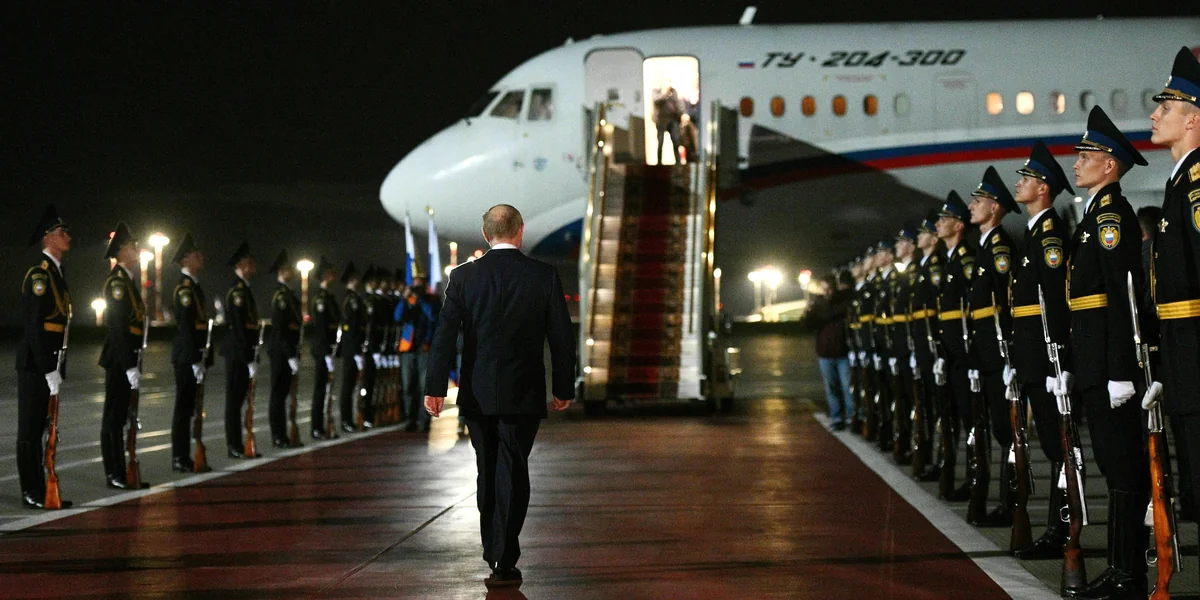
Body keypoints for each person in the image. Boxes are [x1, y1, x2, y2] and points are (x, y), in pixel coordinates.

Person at [424, 204, 576, 588]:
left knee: (487, 468)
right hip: (524, 393)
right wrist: (563, 388)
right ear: (520, 230)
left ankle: (493, 548)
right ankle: (504, 556)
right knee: (513, 468)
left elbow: (445, 335)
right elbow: (561, 337)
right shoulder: (543, 275)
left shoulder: (463, 277)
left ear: (485, 233)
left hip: (478, 394)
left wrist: (435, 388)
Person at [1063, 106, 1150, 599]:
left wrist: (1120, 370)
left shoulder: (1112, 216)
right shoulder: (1094, 216)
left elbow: (1123, 297)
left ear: (1110, 164)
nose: (1076, 163)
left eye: (1086, 156)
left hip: (1109, 367)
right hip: (1094, 363)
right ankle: (1121, 571)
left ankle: (1127, 575)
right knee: (1114, 469)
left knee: (1123, 469)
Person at [1144, 46, 1200, 576]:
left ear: (1192, 119)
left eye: (1165, 107)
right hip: (1183, 356)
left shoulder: (1198, 181)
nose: (1154, 114)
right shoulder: (1180, 181)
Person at [1008, 141, 1075, 560]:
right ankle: (1057, 530)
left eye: (1027, 178)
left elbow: (1056, 302)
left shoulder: (1050, 237)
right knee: (1053, 448)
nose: (1020, 184)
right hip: (1033, 359)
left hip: (1049, 361)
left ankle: (1062, 532)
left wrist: (1061, 362)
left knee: (1060, 449)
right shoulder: (1035, 233)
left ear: (1044, 188)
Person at [965, 166, 1018, 526]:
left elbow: (1006, 303)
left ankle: (1010, 505)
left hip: (999, 353)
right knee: (997, 430)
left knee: (1008, 431)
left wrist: (1010, 355)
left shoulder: (999, 247)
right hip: (985, 352)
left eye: (979, 201)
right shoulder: (984, 246)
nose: (972, 206)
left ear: (995, 207)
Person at [16, 206, 73, 509]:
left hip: (49, 363)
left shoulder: (57, 274)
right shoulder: (39, 275)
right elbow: (34, 327)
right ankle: (31, 491)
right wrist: (48, 368)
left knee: (42, 429)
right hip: (35, 365)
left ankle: (43, 488)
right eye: (62, 232)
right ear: (47, 237)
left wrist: (57, 367)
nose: (68, 237)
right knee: (30, 429)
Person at [98, 222, 150, 490]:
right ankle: (114, 473)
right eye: (132, 246)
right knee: (113, 418)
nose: (137, 249)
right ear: (120, 251)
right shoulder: (117, 282)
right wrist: (129, 365)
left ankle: (122, 471)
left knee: (121, 417)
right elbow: (117, 327)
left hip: (128, 357)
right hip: (119, 358)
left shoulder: (127, 281)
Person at [934, 190, 974, 501]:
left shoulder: (966, 258)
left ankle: (975, 480)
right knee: (954, 415)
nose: (938, 224)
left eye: (944, 219)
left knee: (972, 420)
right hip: (950, 351)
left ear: (958, 225)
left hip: (964, 351)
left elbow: (974, 304)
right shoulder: (949, 259)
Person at [170, 232, 213, 473]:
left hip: (195, 355)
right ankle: (179, 457)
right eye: (196, 255)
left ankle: (187, 455)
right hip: (188, 356)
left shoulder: (194, 287)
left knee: (191, 409)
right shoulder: (185, 289)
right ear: (185, 259)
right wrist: (195, 359)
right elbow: (187, 327)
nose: (201, 257)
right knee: (184, 409)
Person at [914, 213, 946, 482]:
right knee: (926, 404)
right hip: (923, 345)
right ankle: (930, 459)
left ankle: (941, 462)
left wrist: (939, 348)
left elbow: (938, 306)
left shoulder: (936, 264)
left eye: (924, 233)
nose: (919, 238)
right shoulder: (922, 265)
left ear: (934, 239)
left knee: (939, 408)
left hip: (934, 344)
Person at [222, 241, 261, 459]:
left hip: (244, 352)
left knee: (240, 399)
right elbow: (239, 328)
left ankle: (239, 444)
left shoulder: (245, 290)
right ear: (240, 265)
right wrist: (248, 357)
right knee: (234, 401)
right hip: (238, 353)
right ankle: (234, 445)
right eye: (249, 262)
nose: (253, 266)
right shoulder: (237, 292)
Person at [803, 273, 852, 430]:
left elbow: (835, 312)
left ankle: (851, 417)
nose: (826, 292)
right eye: (824, 289)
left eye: (829, 289)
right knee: (831, 387)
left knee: (847, 386)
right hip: (825, 352)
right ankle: (837, 417)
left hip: (842, 351)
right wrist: (807, 313)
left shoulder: (840, 302)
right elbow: (807, 325)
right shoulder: (818, 305)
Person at [267, 250, 301, 448]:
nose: (292, 271)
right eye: (288, 268)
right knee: (278, 395)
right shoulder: (281, 296)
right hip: (281, 351)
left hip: (288, 349)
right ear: (281, 271)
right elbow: (280, 328)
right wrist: (290, 355)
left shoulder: (289, 295)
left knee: (285, 394)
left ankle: (284, 434)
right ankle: (278, 435)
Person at [397, 274, 438, 432]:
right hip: (408, 348)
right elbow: (397, 316)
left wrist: (421, 300)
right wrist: (404, 299)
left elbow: (433, 316)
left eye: (419, 285)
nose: (416, 288)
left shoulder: (432, 300)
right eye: (414, 284)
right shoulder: (408, 301)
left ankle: (425, 419)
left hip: (425, 349)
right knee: (408, 385)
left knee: (424, 386)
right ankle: (410, 418)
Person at [309, 257, 340, 439]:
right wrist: (327, 352)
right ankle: (316, 427)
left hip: (328, 348)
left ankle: (324, 425)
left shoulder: (328, 297)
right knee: (320, 390)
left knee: (327, 390)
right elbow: (321, 327)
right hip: (323, 349)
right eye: (330, 273)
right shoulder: (321, 298)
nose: (333, 275)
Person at [338, 262, 365, 433]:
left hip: (354, 348)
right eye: (356, 278)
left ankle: (350, 419)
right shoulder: (350, 299)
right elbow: (351, 328)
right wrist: (356, 351)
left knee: (352, 385)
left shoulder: (354, 298)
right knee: (347, 386)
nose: (358, 281)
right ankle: (346, 420)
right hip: (350, 349)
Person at [652, 80, 682, 164]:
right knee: (660, 142)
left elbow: (678, 103)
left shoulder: (673, 92)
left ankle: (678, 162)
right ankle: (659, 163)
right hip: (661, 120)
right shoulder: (657, 92)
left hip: (672, 119)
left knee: (675, 140)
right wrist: (665, 93)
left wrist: (682, 114)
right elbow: (656, 101)